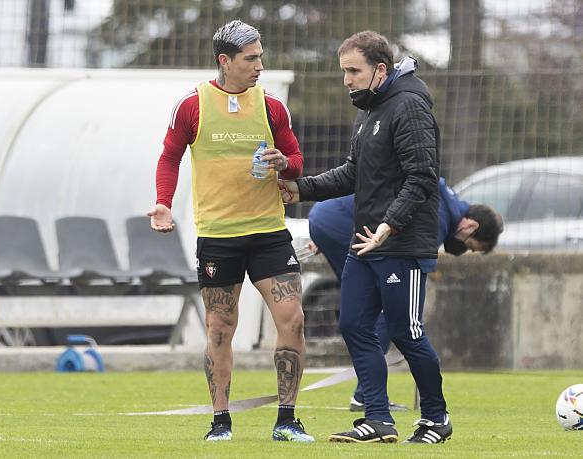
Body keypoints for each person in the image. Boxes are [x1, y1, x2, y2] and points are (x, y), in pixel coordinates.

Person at [279, 30, 452, 444]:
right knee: (354, 323)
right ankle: (376, 418)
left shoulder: (409, 106)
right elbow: (352, 173)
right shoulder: (369, 110)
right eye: (343, 71)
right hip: (365, 243)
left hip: (401, 244)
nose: (346, 80)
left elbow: (422, 176)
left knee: (405, 330)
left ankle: (436, 418)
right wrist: (300, 189)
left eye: (353, 71)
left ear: (380, 70)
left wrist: (389, 226)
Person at [148, 20, 314, 443]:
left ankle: (287, 420)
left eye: (261, 56)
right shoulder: (193, 104)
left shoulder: (272, 106)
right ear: (225, 60)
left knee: (292, 319)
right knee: (220, 328)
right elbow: (170, 158)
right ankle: (220, 422)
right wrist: (164, 204)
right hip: (218, 236)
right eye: (251, 58)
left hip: (268, 231)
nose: (260, 65)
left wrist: (283, 163)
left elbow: (295, 158)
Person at [308, 181, 503, 412]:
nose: (464, 250)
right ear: (470, 226)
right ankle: (368, 396)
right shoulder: (438, 217)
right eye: (471, 246)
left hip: (329, 217)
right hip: (340, 223)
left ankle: (368, 394)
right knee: (389, 311)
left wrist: (326, 228)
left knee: (372, 311)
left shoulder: (442, 198)